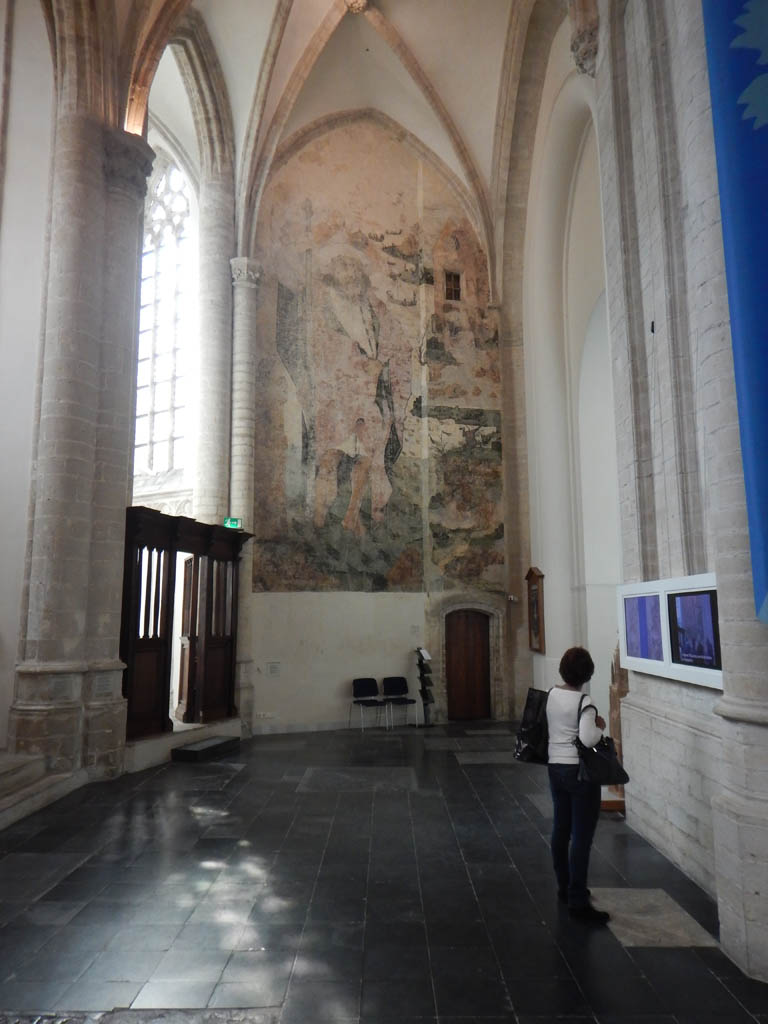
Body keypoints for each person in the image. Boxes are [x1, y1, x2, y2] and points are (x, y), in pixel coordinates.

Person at [546, 646, 609, 923]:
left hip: (555, 767)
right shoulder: (585, 702)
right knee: (582, 837)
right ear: (587, 674)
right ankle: (578, 900)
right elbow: (588, 738)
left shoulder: (551, 694)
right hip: (579, 772)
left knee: (561, 829)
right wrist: (600, 726)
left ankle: (564, 886)